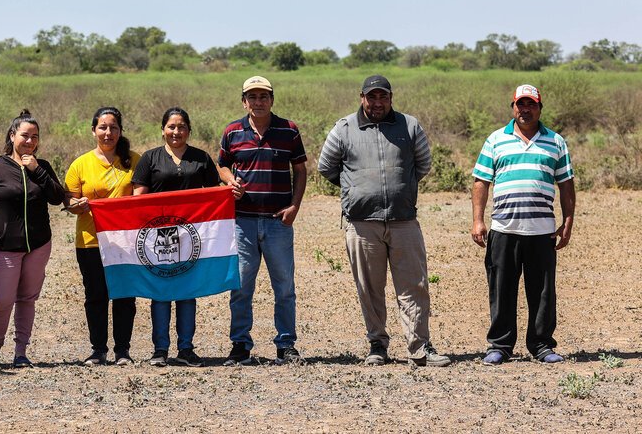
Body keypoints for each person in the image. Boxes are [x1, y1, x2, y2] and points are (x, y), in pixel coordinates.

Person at [317, 74, 451, 367]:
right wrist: (357, 189)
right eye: (372, 97)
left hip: (404, 220)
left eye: (383, 97)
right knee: (370, 288)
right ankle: (377, 344)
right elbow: (326, 166)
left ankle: (420, 347)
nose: (378, 103)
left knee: (414, 286)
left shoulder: (410, 126)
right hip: (362, 223)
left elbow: (423, 164)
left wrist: (398, 187)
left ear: (391, 98)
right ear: (361, 97)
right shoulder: (344, 128)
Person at [471, 84, 575, 365]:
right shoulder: (495, 140)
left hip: (542, 231)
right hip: (504, 228)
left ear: (540, 108)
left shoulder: (555, 141)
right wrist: (478, 220)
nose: (525, 109)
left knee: (542, 292)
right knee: (501, 289)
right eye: (520, 104)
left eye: (531, 104)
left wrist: (568, 221)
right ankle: (500, 346)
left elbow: (565, 184)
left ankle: (542, 345)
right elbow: (481, 181)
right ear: (513, 107)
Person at [218, 76, 307, 366]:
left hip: (277, 222)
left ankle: (286, 344)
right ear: (244, 101)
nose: (258, 102)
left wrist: (294, 206)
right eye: (252, 97)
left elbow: (301, 170)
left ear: (272, 99)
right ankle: (240, 345)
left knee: (284, 287)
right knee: (241, 287)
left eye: (263, 96)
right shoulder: (232, 131)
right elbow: (222, 165)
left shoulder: (289, 130)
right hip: (242, 222)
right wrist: (230, 181)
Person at [0, 110, 65, 369]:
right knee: (1, 300)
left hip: (38, 245)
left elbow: (57, 197)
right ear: (12, 135)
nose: (29, 141)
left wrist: (37, 170)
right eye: (25, 135)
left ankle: (21, 353)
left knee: (27, 298)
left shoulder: (42, 166)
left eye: (35, 137)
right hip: (4, 247)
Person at [132, 107, 221, 368]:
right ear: (162, 129)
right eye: (171, 126)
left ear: (189, 130)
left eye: (181, 127)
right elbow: (139, 197)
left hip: (191, 236)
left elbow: (213, 195)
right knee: (160, 292)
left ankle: (186, 348)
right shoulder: (150, 158)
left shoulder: (200, 158)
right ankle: (160, 349)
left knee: (186, 292)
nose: (176, 132)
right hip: (158, 235)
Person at [64, 107, 141, 366]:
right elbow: (69, 201)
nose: (108, 133)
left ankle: (123, 351)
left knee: (124, 295)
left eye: (114, 128)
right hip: (90, 241)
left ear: (120, 131)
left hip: (125, 241)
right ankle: (98, 350)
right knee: (95, 295)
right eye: (103, 127)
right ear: (93, 130)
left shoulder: (135, 160)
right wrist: (77, 205)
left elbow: (143, 198)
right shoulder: (80, 164)